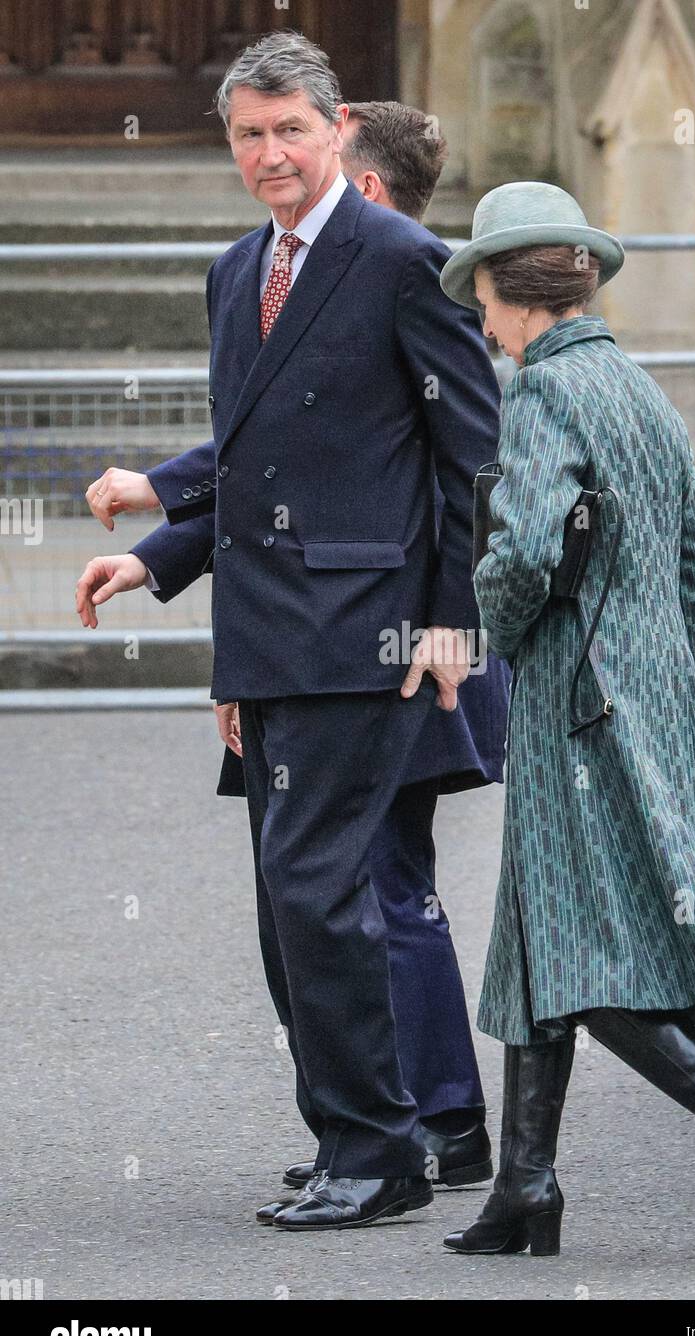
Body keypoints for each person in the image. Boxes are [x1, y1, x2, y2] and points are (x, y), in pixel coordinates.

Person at [75, 30, 504, 1233]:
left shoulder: (404, 258)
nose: (270, 154)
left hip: (370, 633)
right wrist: (158, 558)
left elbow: (475, 460)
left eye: (291, 132)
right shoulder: (233, 273)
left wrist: (450, 621)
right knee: (290, 903)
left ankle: (384, 1150)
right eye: (249, 135)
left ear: (336, 134)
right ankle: (353, 1141)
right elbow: (261, 464)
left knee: (322, 892)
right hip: (270, 635)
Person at [436, 181, 695, 1258]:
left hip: (576, 709)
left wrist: (499, 631)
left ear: (511, 302)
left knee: (583, 959)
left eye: (481, 299)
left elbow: (515, 557)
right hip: (644, 703)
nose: (480, 321)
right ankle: (527, 1189)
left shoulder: (543, 395)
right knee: (535, 943)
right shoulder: (643, 390)